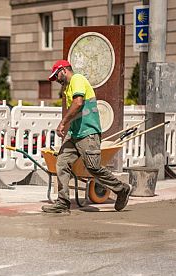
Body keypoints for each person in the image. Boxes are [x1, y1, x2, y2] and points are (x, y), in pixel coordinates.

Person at [44, 60, 131, 214]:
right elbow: (76, 111)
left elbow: (78, 103)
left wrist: (63, 123)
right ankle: (63, 204)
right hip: (74, 134)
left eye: (56, 75)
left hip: (88, 132)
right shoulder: (68, 88)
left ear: (63, 70)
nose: (56, 80)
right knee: (61, 164)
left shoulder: (77, 79)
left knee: (93, 167)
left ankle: (121, 189)